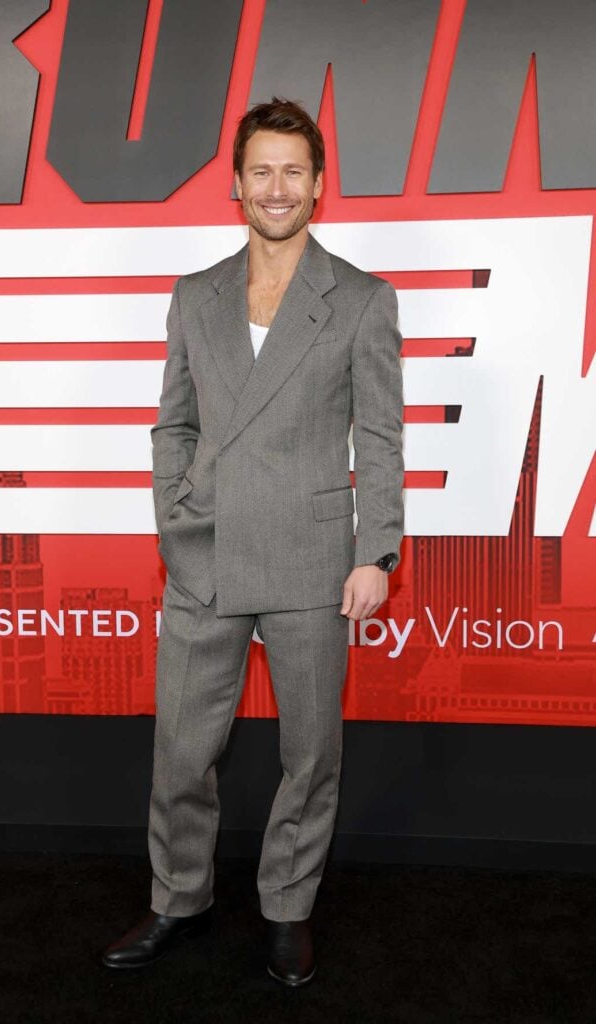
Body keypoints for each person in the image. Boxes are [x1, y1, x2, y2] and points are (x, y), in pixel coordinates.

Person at [101, 97, 404, 987]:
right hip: (206, 550)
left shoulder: (361, 299)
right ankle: (177, 899)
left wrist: (375, 551)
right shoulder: (195, 296)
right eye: (262, 171)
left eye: (295, 172)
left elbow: (379, 438)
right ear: (237, 186)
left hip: (314, 555)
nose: (278, 187)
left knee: (310, 754)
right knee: (182, 751)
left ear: (318, 188)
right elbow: (174, 426)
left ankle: (287, 909)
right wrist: (176, 516)